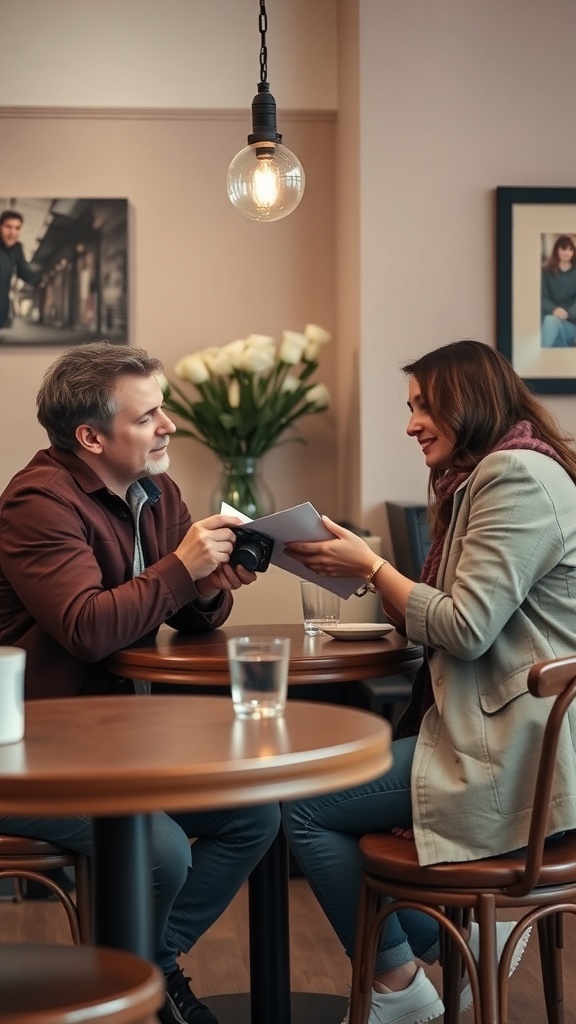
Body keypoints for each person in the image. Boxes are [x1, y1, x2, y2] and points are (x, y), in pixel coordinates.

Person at [282, 339, 576, 1024]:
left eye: (424, 406)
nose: (412, 423)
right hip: (509, 733)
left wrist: (373, 568)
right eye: (410, 407)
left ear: (468, 403)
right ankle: (462, 943)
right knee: (321, 801)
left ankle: (401, 987)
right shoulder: (494, 474)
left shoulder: (514, 478)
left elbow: (466, 627)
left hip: (515, 752)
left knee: (300, 804)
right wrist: (363, 568)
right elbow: (456, 617)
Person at [0, 341, 281, 1024]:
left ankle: (143, 967)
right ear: (90, 437)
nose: (169, 427)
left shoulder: (156, 490)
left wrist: (211, 586)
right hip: (32, 752)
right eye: (149, 415)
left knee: (257, 817)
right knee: (159, 853)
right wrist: (181, 569)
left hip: (116, 741)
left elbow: (183, 610)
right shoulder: (36, 503)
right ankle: (135, 983)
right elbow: (88, 627)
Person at [0, 209, 41, 329]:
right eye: (8, 227)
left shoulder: (17, 248)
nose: (12, 232)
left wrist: (41, 279)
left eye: (17, 228)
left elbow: (23, 271)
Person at [540, 234, 576, 347]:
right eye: (563, 248)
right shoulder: (546, 271)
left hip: (572, 323)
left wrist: (567, 313)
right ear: (557, 249)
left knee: (551, 324)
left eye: (571, 249)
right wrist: (554, 309)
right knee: (551, 323)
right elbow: (543, 296)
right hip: (552, 317)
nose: (567, 253)